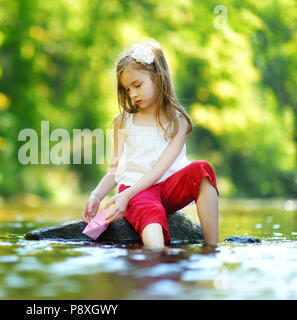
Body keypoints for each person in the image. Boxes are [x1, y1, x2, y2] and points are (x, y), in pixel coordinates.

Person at [81, 38, 219, 248]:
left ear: (158, 77)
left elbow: (160, 168)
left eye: (137, 85)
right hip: (137, 191)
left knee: (203, 169)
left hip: (167, 188)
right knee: (152, 222)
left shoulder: (178, 121)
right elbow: (115, 170)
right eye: (127, 89)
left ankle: (212, 247)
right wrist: (96, 196)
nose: (133, 94)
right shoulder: (123, 122)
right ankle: (155, 261)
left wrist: (124, 196)